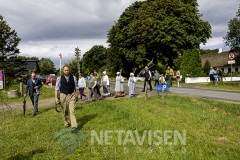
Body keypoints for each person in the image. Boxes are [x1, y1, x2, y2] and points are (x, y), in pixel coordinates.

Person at [55, 65, 79, 133]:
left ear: (69, 70)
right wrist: (56, 98)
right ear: (63, 71)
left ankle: (74, 126)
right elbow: (56, 89)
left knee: (72, 111)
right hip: (63, 95)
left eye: (67, 70)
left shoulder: (73, 77)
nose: (66, 71)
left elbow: (76, 88)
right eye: (65, 70)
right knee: (65, 111)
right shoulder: (59, 78)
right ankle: (66, 122)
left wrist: (77, 96)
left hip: (71, 95)